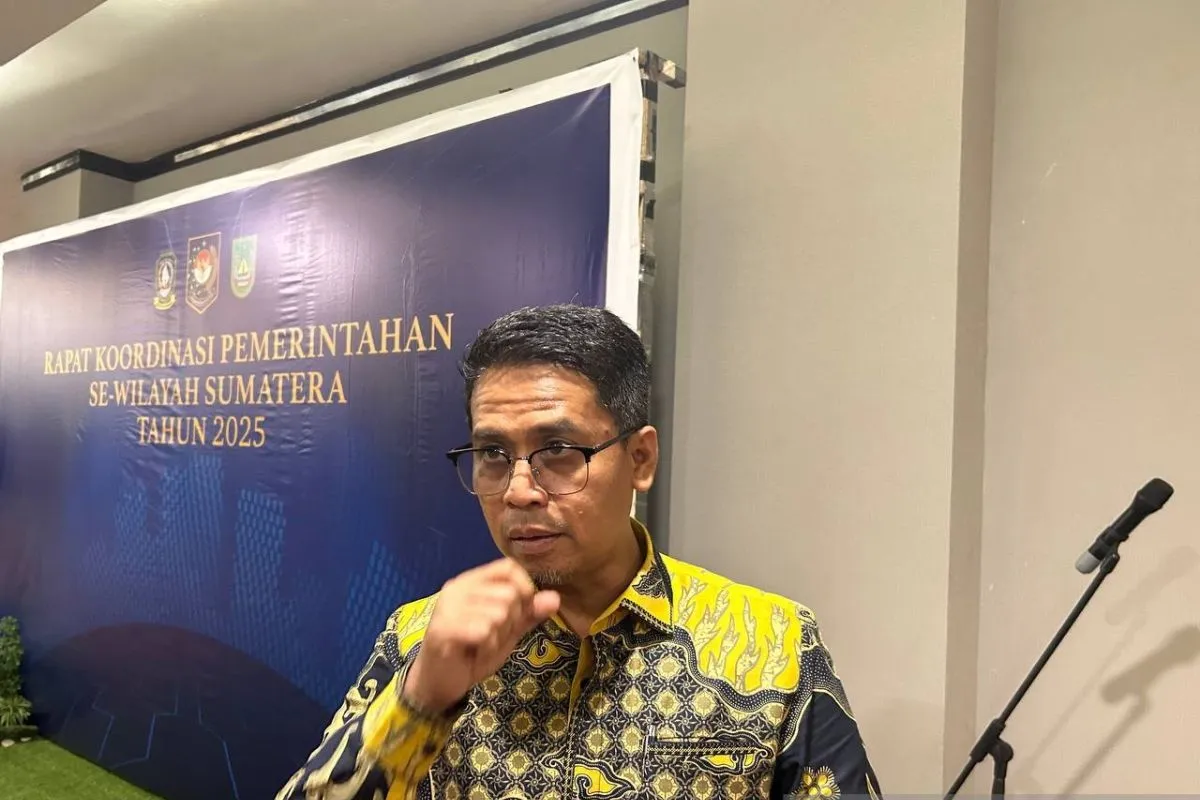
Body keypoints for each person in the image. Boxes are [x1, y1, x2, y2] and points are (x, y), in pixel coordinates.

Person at [276, 304, 881, 800]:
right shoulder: (422, 638)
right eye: (492, 454)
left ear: (640, 459)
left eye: (559, 450)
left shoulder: (772, 644)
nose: (518, 490)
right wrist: (420, 701)